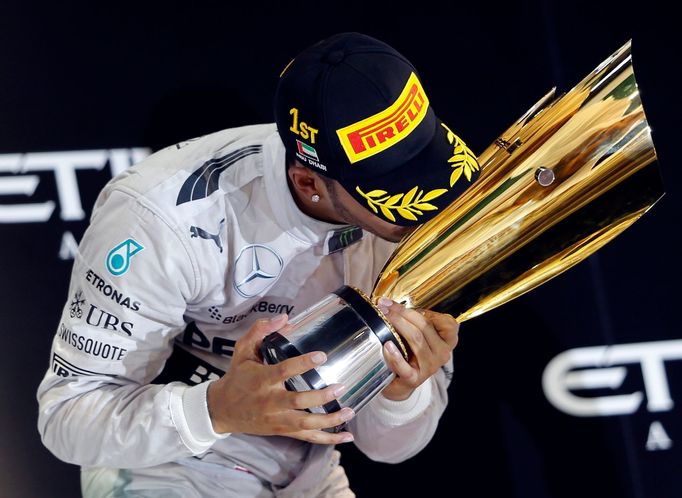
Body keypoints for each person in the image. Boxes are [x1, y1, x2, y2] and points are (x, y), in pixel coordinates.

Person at [37, 32, 480, 497]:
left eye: (427, 162)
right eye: (391, 186)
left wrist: (400, 393)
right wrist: (217, 409)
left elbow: (389, 450)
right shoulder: (158, 219)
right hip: (171, 468)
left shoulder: (411, 228)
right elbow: (67, 417)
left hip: (311, 475)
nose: (430, 202)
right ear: (308, 181)